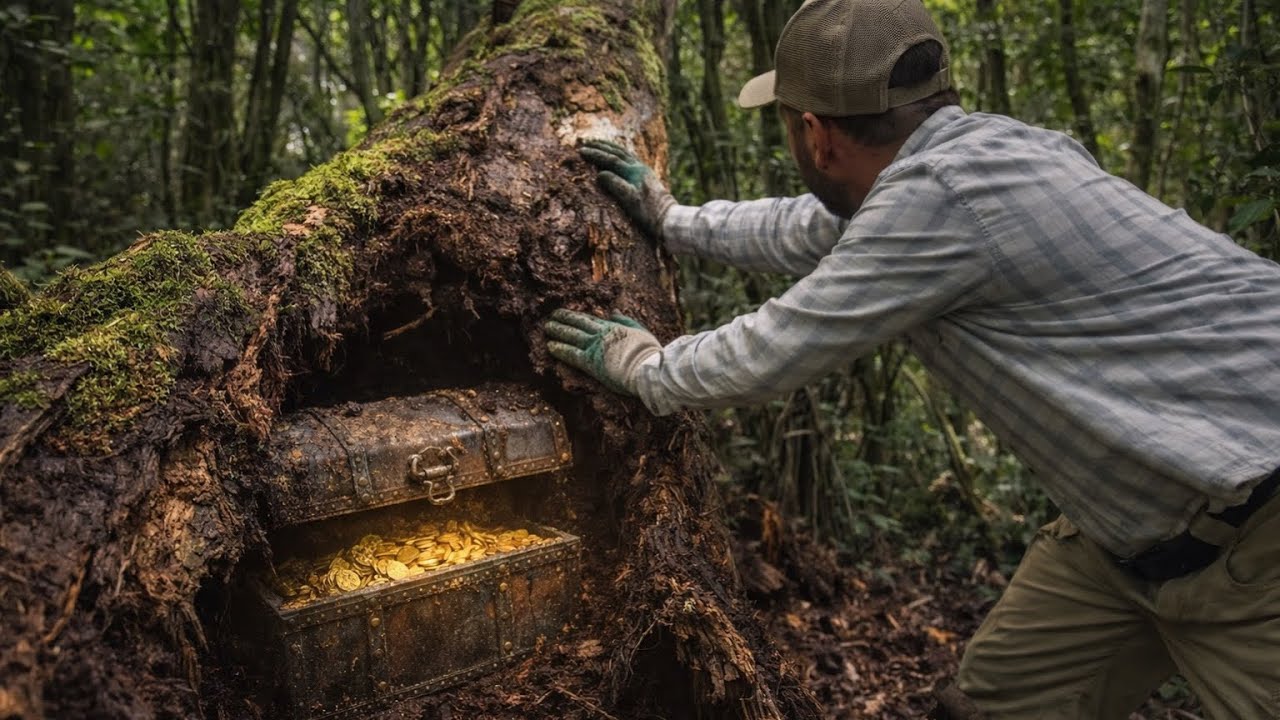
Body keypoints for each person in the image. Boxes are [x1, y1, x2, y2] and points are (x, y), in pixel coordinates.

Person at [543, 0, 1280, 717]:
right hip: (1132, 534)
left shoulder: (941, 197)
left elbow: (775, 345)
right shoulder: (994, 155)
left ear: (816, 136)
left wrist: (646, 367)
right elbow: (808, 228)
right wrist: (672, 218)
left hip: (1258, 526)